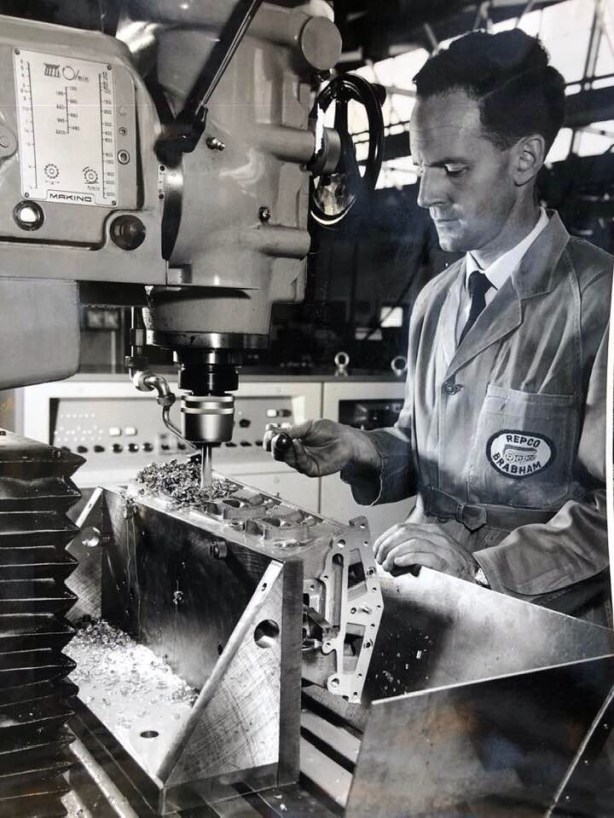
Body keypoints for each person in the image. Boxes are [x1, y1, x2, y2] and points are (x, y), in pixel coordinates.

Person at [265, 29, 612, 620]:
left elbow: (609, 516)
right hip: (426, 599)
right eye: (424, 167)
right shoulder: (435, 301)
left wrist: (481, 570)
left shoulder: (600, 301)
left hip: (542, 630)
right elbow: (431, 451)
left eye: (453, 169)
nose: (426, 195)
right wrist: (362, 449)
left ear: (524, 159)